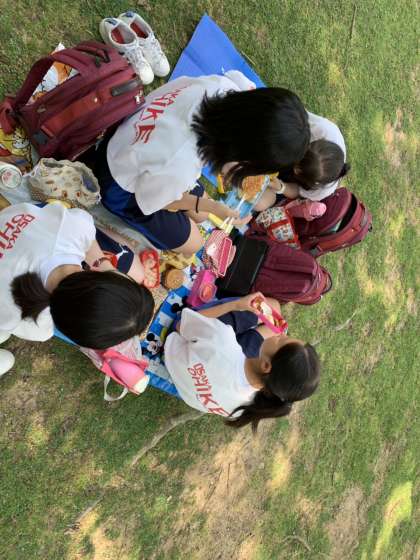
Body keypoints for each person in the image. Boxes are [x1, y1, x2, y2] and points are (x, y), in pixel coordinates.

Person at [94, 71, 310, 254]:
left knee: (201, 214)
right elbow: (165, 202)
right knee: (194, 242)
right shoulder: (181, 165)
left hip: (136, 137)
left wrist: (208, 207)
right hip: (119, 183)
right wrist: (212, 207)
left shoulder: (223, 87)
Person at [0, 202, 154, 377]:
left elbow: (86, 235)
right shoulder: (37, 325)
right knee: (6, 355)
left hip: (13, 218)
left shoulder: (72, 230)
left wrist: (105, 265)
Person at [164, 294, 320, 429]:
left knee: (271, 307)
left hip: (172, 346)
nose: (282, 334)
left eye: (281, 340)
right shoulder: (253, 404)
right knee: (273, 324)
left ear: (266, 365)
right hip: (182, 381)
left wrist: (236, 305)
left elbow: (180, 326)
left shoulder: (222, 338)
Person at [254, 114, 348, 212]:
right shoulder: (322, 129)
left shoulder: (322, 191)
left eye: (300, 170)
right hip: (283, 144)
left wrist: (281, 187)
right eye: (300, 160)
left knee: (262, 203)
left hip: (288, 181)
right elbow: (286, 115)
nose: (295, 169)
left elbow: (298, 192)